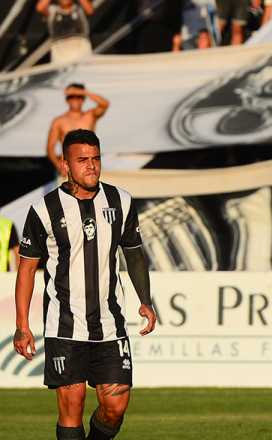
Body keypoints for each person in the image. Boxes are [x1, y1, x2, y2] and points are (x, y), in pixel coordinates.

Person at [12, 129, 158, 440]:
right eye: (82, 160)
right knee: (72, 404)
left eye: (96, 159)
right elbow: (26, 269)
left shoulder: (121, 201)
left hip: (110, 324)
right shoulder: (44, 209)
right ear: (65, 165)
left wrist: (145, 300)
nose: (91, 166)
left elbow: (133, 254)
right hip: (65, 326)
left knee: (115, 405)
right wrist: (22, 324)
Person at [46, 83, 109, 176]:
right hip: (68, 168)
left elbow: (104, 104)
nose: (75, 99)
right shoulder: (59, 121)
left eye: (79, 97)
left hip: (90, 166)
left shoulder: (90, 116)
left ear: (83, 99)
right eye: (72, 97)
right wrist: (58, 165)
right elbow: (50, 148)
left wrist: (83, 92)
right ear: (67, 99)